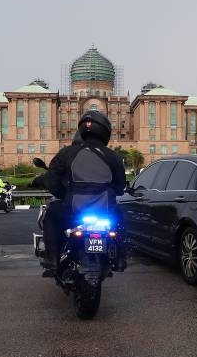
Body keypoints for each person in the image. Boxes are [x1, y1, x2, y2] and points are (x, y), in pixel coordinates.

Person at [32, 111, 127, 277]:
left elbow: (53, 182)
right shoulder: (113, 156)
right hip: (105, 210)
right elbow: (120, 188)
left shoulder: (67, 153)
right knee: (121, 218)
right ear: (106, 131)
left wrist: (65, 194)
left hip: (73, 210)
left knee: (52, 215)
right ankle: (120, 259)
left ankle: (52, 261)